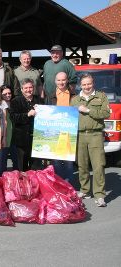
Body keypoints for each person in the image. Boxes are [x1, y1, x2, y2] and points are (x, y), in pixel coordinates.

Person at [71, 73, 110, 207]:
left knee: (98, 165)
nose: (87, 86)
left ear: (93, 83)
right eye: (84, 84)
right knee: (82, 165)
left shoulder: (101, 96)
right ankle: (85, 190)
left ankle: (99, 195)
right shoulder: (75, 100)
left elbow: (106, 113)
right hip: (80, 135)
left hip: (95, 135)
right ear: (80, 85)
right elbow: (69, 118)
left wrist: (88, 110)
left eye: (89, 83)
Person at [46, 72, 76, 181]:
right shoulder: (50, 96)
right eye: (58, 80)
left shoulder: (74, 95)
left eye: (63, 80)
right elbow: (46, 114)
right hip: (55, 132)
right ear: (55, 81)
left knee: (68, 161)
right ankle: (59, 186)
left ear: (67, 80)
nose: (61, 82)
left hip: (69, 132)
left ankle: (69, 187)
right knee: (56, 161)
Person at [10, 78, 43, 171]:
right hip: (22, 140)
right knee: (22, 168)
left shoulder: (39, 100)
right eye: (26, 88)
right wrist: (27, 115)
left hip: (37, 139)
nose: (28, 90)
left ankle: (34, 185)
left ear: (33, 88)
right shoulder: (15, 101)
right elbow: (13, 118)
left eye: (30, 87)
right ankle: (24, 185)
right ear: (21, 89)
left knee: (36, 167)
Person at [0, 85, 18, 174]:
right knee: (3, 159)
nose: (8, 95)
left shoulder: (14, 103)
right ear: (1, 94)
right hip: (5, 134)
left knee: (15, 159)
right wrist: (4, 137)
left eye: (9, 93)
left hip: (14, 134)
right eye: (5, 94)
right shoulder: (1, 104)